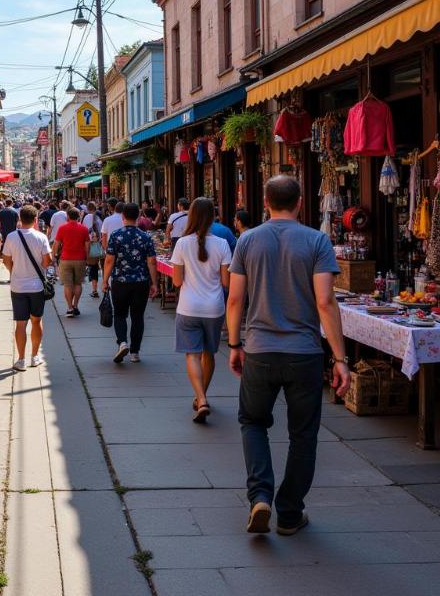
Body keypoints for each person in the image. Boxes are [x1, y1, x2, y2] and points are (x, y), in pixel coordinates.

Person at [226, 176, 350, 536]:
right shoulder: (317, 240)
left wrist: (235, 344)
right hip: (304, 354)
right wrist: (340, 358)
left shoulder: (247, 240)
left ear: (266, 201)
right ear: (300, 202)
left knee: (252, 422)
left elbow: (235, 299)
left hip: (260, 350)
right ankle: (290, 512)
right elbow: (326, 301)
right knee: (303, 434)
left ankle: (260, 495)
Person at [171, 198, 232, 423]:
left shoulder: (182, 243)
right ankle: (202, 396)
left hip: (188, 306)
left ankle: (201, 398)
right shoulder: (223, 244)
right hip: (214, 307)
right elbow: (226, 282)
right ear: (213, 216)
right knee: (209, 353)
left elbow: (177, 282)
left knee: (192, 354)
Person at [103, 203, 158, 363]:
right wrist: (154, 283)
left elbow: (109, 260)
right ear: (139, 217)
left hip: (120, 281)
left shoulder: (116, 235)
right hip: (141, 282)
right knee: (138, 317)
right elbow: (152, 261)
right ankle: (135, 352)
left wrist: (105, 280)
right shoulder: (145, 236)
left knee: (119, 314)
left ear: (122, 217)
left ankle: (122, 342)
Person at [3, 205, 53, 371]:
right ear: (36, 219)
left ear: (19, 219)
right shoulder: (41, 237)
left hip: (17, 286)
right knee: (36, 320)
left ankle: (21, 359)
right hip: (37, 286)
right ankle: (34, 356)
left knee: (20, 323)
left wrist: (14, 272)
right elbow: (47, 261)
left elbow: (6, 260)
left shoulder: (11, 237)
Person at [53, 207, 90, 317]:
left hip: (65, 259)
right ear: (79, 216)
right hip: (80, 259)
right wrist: (86, 258)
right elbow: (87, 245)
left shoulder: (62, 228)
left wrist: (54, 256)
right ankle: (75, 306)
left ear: (68, 216)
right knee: (78, 283)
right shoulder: (84, 229)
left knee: (68, 285)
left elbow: (56, 243)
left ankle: (69, 308)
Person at [83, 201, 103, 298]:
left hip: (90, 244)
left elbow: (83, 231)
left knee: (93, 267)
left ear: (88, 209)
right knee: (99, 266)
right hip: (98, 244)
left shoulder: (86, 217)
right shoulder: (99, 218)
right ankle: (103, 285)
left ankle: (94, 289)